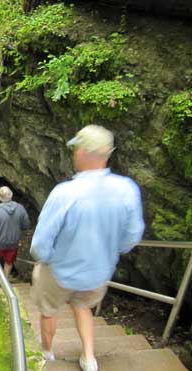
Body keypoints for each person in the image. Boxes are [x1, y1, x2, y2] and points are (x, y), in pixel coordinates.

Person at [29, 125, 145, 371]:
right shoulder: (126, 189)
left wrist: (46, 260)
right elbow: (132, 236)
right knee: (83, 307)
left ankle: (48, 353)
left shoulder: (65, 193)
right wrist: (110, 252)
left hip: (60, 271)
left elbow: (40, 243)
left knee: (49, 311)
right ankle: (89, 358)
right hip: (97, 272)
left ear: (81, 152)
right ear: (107, 154)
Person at [0, 186, 29, 284]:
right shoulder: (20, 208)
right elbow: (26, 225)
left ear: (0, 197)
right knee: (9, 261)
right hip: (13, 241)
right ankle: (5, 279)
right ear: (11, 195)